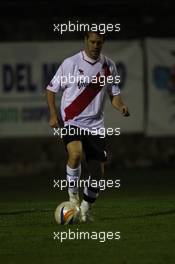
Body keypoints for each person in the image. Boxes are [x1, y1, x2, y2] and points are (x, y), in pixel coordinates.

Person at [46, 31, 129, 223]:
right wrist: (52, 114)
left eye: (99, 42)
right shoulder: (71, 63)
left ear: (103, 43)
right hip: (72, 119)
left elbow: (114, 95)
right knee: (75, 154)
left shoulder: (109, 66)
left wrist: (121, 106)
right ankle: (73, 197)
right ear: (85, 41)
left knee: (98, 173)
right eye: (92, 42)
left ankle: (85, 208)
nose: (95, 45)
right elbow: (51, 89)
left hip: (95, 125)